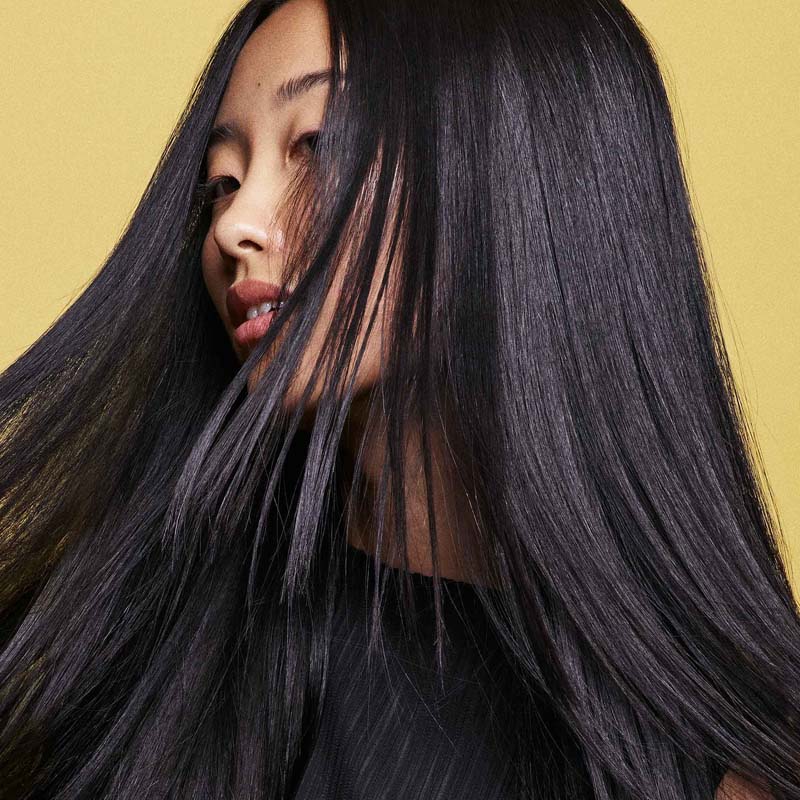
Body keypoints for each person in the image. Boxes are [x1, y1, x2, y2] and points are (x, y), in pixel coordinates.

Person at [0, 0, 797, 798]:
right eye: (221, 181)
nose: (234, 224)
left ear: (518, 170)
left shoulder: (723, 769)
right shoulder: (143, 664)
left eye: (317, 145)